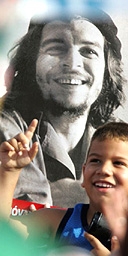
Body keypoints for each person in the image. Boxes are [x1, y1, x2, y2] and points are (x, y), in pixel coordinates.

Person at [0, 7, 126, 207]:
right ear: (32, 61)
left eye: (89, 51)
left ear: (107, 69)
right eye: (56, 48)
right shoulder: (6, 129)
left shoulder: (120, 140)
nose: (73, 63)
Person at [2, 119, 128, 256]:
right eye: (95, 160)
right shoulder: (54, 220)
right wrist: (9, 171)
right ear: (84, 173)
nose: (104, 169)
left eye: (118, 163)